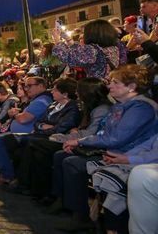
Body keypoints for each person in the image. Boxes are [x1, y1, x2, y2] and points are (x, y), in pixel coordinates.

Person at [52, 64, 158, 232]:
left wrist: (80, 142)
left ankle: (85, 218)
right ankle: (77, 213)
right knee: (67, 159)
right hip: (117, 153)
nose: (110, 86)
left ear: (131, 87)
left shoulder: (141, 108)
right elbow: (105, 134)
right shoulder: (122, 106)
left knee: (74, 163)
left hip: (131, 157)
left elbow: (117, 138)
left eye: (116, 82)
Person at [52, 19, 126, 78]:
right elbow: (79, 50)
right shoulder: (113, 47)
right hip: (110, 83)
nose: (83, 35)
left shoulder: (93, 50)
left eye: (84, 32)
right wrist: (66, 37)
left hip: (97, 89)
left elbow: (70, 58)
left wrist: (57, 41)